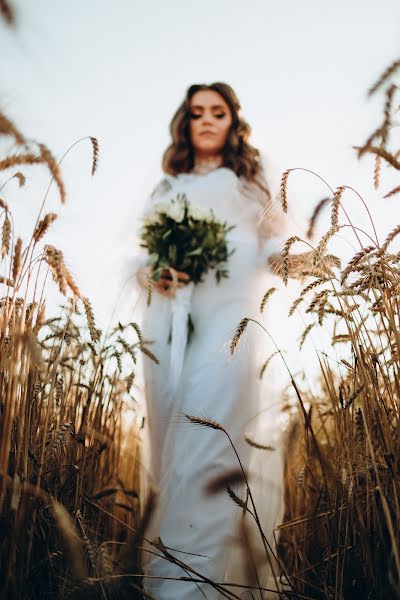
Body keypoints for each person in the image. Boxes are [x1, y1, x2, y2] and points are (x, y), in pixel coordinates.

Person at [134, 82, 303, 599]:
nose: (207, 121)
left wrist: (287, 255)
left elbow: (274, 233)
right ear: (185, 123)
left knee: (209, 439)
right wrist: (155, 273)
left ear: (233, 121)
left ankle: (191, 588)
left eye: (218, 112)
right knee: (174, 444)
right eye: (197, 113)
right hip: (172, 324)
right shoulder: (166, 188)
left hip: (230, 321)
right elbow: (144, 259)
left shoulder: (251, 178)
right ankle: (186, 570)